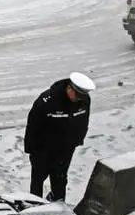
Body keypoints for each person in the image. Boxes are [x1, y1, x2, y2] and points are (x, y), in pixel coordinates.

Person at [24, 72, 95, 201]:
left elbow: (83, 122)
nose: (78, 99)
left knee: (60, 180)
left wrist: (77, 141)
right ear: (69, 88)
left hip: (65, 150)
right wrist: (31, 149)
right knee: (37, 181)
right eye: (77, 95)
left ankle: (58, 204)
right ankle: (34, 205)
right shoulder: (47, 101)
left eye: (81, 96)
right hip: (43, 150)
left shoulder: (84, 100)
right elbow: (32, 125)